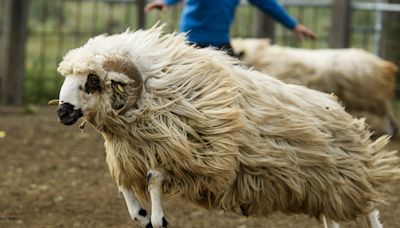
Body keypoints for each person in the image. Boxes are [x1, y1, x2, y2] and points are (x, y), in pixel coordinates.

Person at [145, 0, 316, 56]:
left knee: (239, 87)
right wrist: (165, 2)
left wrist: (294, 26)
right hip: (190, 43)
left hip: (220, 45)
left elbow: (269, 5)